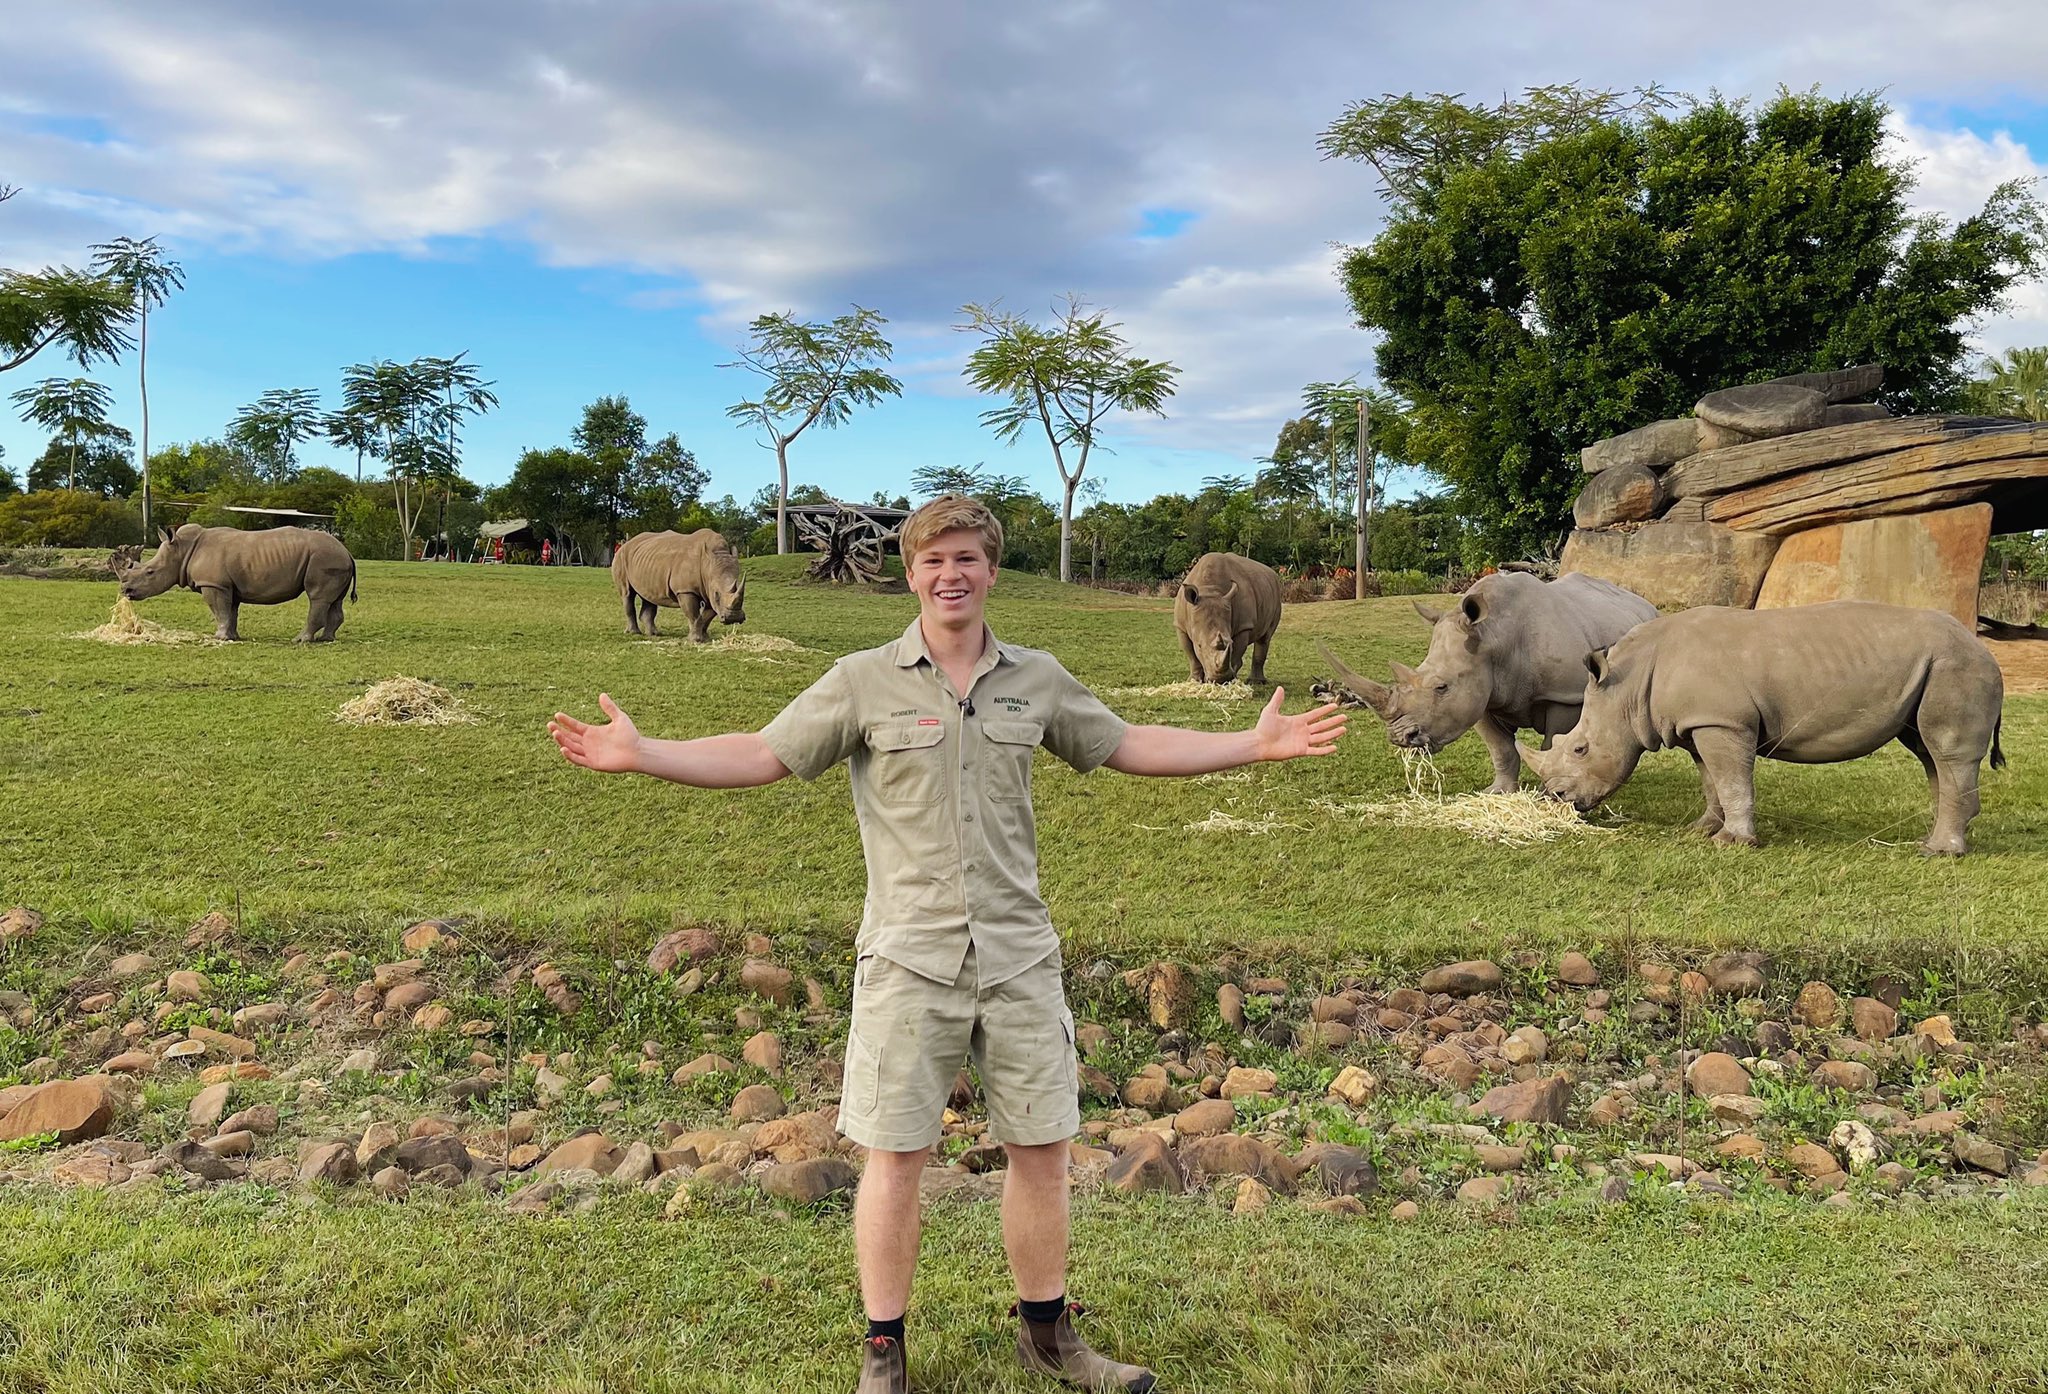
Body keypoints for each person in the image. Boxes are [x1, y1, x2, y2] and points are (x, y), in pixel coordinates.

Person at [547, 495, 1345, 1394]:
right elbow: (763, 754)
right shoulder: (861, 680)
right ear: (912, 573)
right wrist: (646, 751)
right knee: (895, 1161)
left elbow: (1126, 744)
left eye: (966, 558)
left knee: (1042, 1154)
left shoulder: (1036, 678)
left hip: (1018, 956)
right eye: (933, 560)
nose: (950, 574)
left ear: (991, 570)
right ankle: (883, 1353)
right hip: (907, 960)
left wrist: (1251, 744)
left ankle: (1048, 1335)